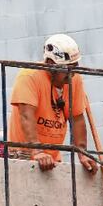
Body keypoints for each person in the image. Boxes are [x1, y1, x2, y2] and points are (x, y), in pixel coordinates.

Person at [6, 34, 97, 174]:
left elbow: (77, 118)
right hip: (23, 155)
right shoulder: (29, 76)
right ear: (50, 63)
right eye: (66, 68)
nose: (71, 74)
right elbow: (26, 115)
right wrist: (37, 151)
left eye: (74, 67)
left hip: (53, 158)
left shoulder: (74, 79)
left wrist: (82, 152)